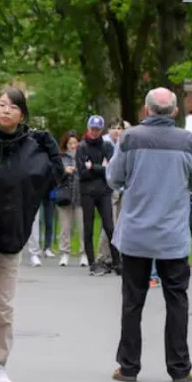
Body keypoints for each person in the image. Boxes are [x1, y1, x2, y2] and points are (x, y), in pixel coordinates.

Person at [0, 88, 63, 382]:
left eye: (13, 106)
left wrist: (52, 148)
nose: (6, 110)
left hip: (12, 237)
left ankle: (0, 362)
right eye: (1, 104)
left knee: (3, 306)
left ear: (22, 114)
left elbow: (55, 176)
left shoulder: (32, 148)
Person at [107, 88, 192, 382]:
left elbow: (114, 178)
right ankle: (179, 367)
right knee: (176, 300)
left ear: (146, 109)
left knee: (132, 302)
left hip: (136, 233)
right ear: (175, 111)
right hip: (172, 235)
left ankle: (128, 366)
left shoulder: (129, 138)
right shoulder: (187, 141)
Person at [76, 115, 119, 275]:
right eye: (92, 129)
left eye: (97, 129)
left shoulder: (106, 146)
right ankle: (92, 263)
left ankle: (117, 262)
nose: (95, 132)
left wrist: (93, 167)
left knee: (109, 227)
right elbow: (82, 172)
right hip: (87, 191)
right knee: (88, 227)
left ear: (101, 130)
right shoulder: (82, 147)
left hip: (104, 191)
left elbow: (111, 169)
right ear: (88, 128)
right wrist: (101, 167)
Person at [57, 131, 84, 266]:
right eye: (70, 143)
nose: (73, 146)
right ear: (65, 145)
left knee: (82, 226)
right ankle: (64, 253)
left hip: (81, 196)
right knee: (65, 227)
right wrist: (64, 171)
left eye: (75, 143)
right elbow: (55, 176)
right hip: (65, 196)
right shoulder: (60, 157)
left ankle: (84, 253)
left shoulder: (84, 155)